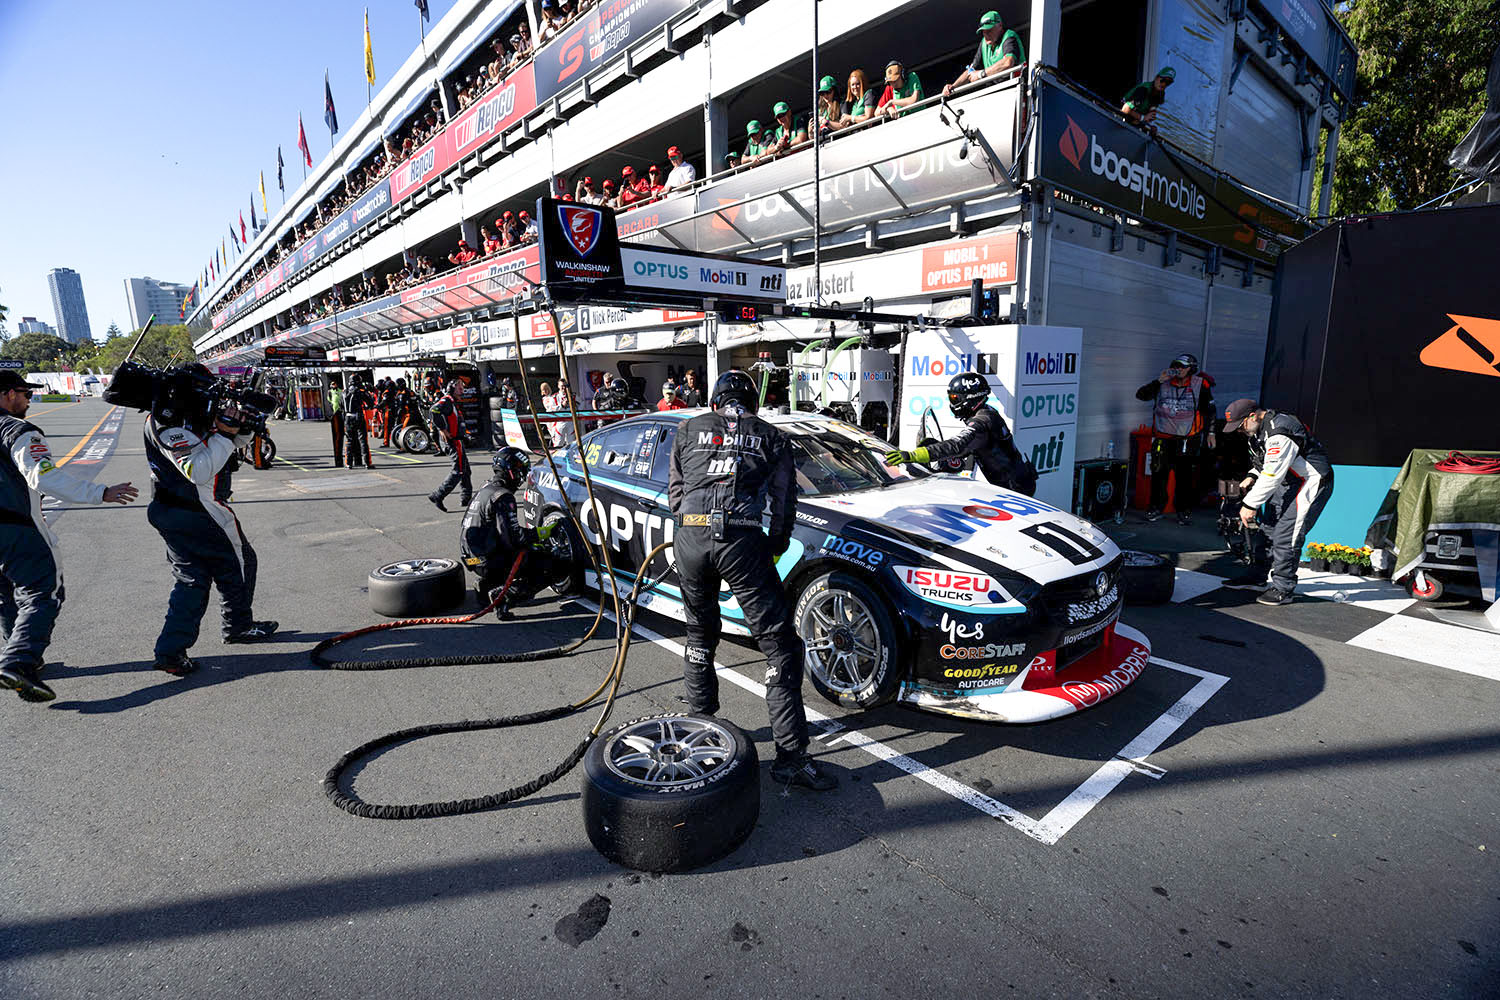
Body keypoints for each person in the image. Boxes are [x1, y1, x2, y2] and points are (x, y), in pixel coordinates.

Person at [668, 370, 835, 791]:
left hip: (689, 538)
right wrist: (774, 544)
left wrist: (692, 528)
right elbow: (783, 501)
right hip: (740, 539)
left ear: (715, 402)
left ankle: (700, 731)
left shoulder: (688, 428)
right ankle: (791, 758)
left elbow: (676, 494)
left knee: (699, 632)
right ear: (752, 404)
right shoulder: (771, 436)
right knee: (780, 646)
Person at [0, 372, 137, 702]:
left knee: (5, 594)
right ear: (7, 394)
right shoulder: (18, 430)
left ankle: (19, 657)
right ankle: (18, 662)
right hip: (15, 527)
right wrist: (99, 492)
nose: (29, 399)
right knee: (42, 593)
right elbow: (43, 477)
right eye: (25, 393)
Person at [145, 370, 279, 677]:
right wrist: (225, 434)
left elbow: (228, 446)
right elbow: (198, 469)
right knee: (240, 563)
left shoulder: (189, 415)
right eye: (208, 391)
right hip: (198, 510)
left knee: (192, 580)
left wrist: (242, 427)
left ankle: (170, 651)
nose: (215, 397)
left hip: (175, 511)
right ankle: (238, 626)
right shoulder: (169, 421)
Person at [1224, 399, 1334, 606]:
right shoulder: (1258, 431)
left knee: (1286, 534)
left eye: (1240, 426)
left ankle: (1284, 588)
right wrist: (1251, 475)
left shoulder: (1280, 431)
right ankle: (1257, 576)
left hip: (1310, 482)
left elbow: (1273, 472)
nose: (1239, 431)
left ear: (1252, 416)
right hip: (1288, 482)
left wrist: (1250, 505)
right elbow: (1264, 463)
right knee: (1266, 530)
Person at [884, 371, 1036, 494]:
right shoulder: (987, 412)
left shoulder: (982, 421)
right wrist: (950, 459)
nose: (952, 402)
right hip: (1015, 481)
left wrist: (913, 455)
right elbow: (970, 446)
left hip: (1015, 488)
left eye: (955, 398)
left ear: (969, 398)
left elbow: (958, 444)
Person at [460, 447, 561, 614]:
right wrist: (541, 534)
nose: (522, 476)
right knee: (550, 564)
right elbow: (515, 539)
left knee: (523, 552)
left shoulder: (486, 488)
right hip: (487, 559)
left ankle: (487, 585)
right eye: (521, 470)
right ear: (512, 470)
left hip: (471, 557)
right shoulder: (503, 496)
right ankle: (504, 597)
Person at [1135, 352, 1215, 525]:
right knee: (1158, 474)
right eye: (1176, 366)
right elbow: (1141, 395)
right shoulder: (1163, 383)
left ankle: (1183, 511)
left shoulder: (1200, 385)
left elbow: (1210, 411)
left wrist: (1211, 433)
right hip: (1162, 437)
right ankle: (1156, 508)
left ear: (1191, 369)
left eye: (1182, 367)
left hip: (1187, 439)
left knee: (1184, 477)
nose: (1178, 369)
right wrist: (1158, 381)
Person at [945, 10, 1025, 98]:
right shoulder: (984, 43)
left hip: (1016, 91)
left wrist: (981, 74)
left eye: (989, 30)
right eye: (983, 31)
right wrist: (953, 86)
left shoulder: (1009, 36)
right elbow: (971, 71)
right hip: (996, 93)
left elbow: (1008, 63)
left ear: (1000, 26)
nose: (986, 35)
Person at [428, 380, 473, 512]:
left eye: (462, 388)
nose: (462, 390)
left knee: (465, 470)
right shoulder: (447, 400)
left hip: (457, 440)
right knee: (458, 471)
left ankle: (466, 498)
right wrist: (442, 429)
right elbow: (434, 410)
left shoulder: (453, 402)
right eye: (459, 388)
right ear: (452, 388)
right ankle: (438, 495)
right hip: (452, 441)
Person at [345, 376, 376, 469]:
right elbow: (371, 403)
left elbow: (341, 405)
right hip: (358, 416)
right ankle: (367, 463)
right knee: (363, 440)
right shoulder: (361, 391)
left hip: (348, 417)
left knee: (349, 441)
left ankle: (348, 463)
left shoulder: (344, 391)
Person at [327, 375, 346, 467]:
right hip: (334, 411)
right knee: (337, 435)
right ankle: (338, 461)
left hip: (341, 411)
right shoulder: (330, 392)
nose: (333, 385)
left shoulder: (340, 391)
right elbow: (329, 400)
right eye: (332, 384)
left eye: (334, 384)